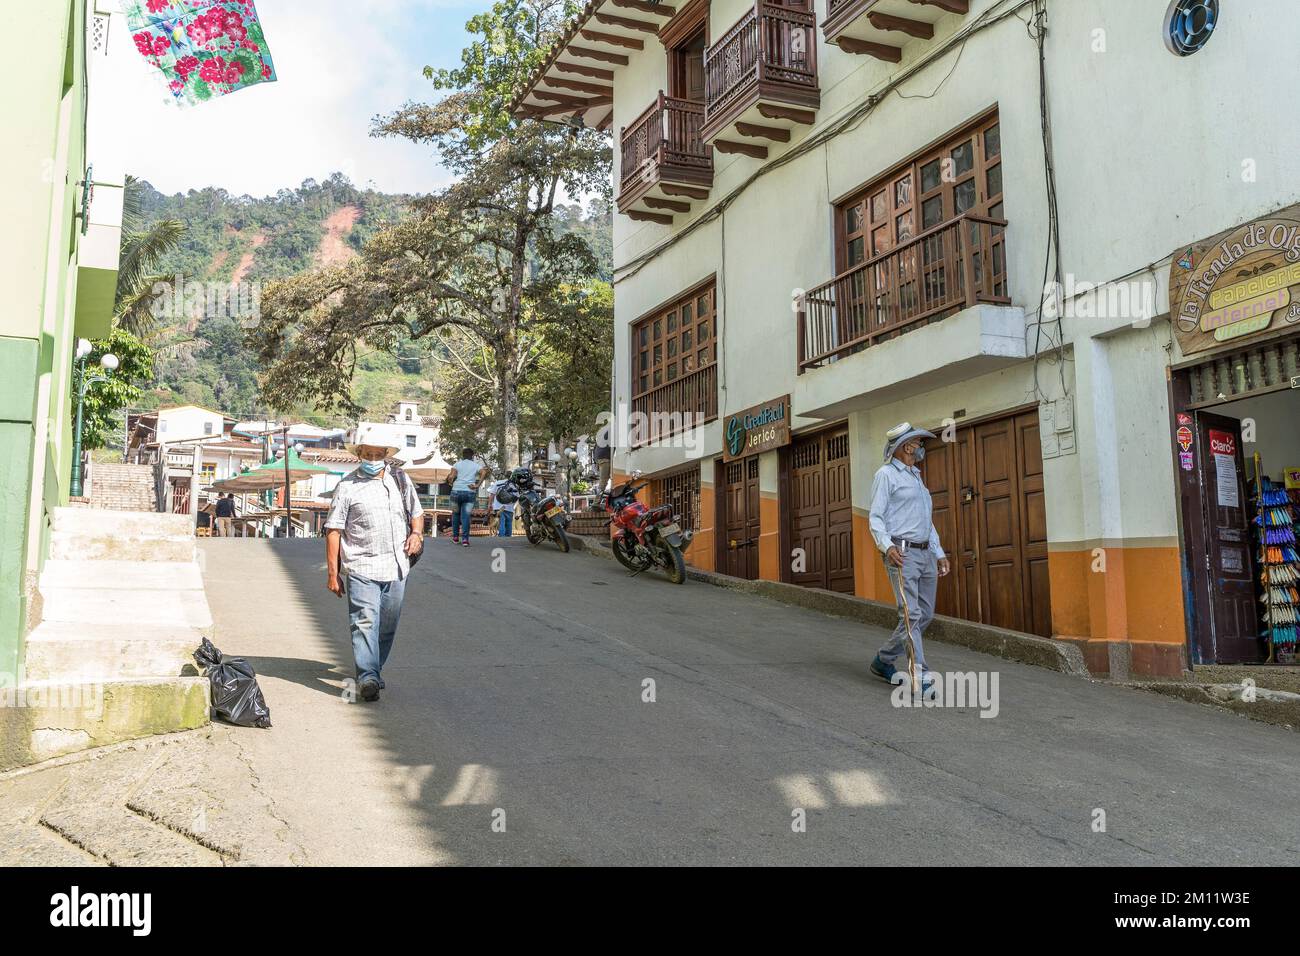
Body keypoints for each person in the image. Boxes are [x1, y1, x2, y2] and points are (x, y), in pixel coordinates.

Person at [324, 426, 423, 702]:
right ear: (359, 455)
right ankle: (367, 676)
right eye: (366, 454)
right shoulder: (347, 487)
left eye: (377, 454)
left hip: (397, 567)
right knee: (365, 620)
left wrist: (416, 534)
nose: (371, 458)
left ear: (385, 455)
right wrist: (333, 573)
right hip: (361, 567)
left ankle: (374, 670)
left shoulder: (401, 481)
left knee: (387, 625)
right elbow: (333, 530)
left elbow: (417, 514)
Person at [868, 422, 950, 694]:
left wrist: (938, 552)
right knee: (911, 614)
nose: (921, 448)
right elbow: (876, 517)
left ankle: (884, 659)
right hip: (901, 554)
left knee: (923, 614)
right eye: (918, 443)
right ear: (906, 447)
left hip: (925, 552)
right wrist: (886, 546)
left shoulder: (916, 476)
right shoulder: (886, 475)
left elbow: (926, 520)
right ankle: (920, 676)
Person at [449, 447, 483, 546]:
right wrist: (477, 485)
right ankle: (465, 540)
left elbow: (451, 477)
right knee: (465, 516)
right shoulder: (476, 465)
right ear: (472, 456)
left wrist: (451, 482)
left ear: (462, 455)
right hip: (469, 491)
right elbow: (484, 472)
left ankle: (455, 538)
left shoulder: (457, 464)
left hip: (456, 491)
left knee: (455, 514)